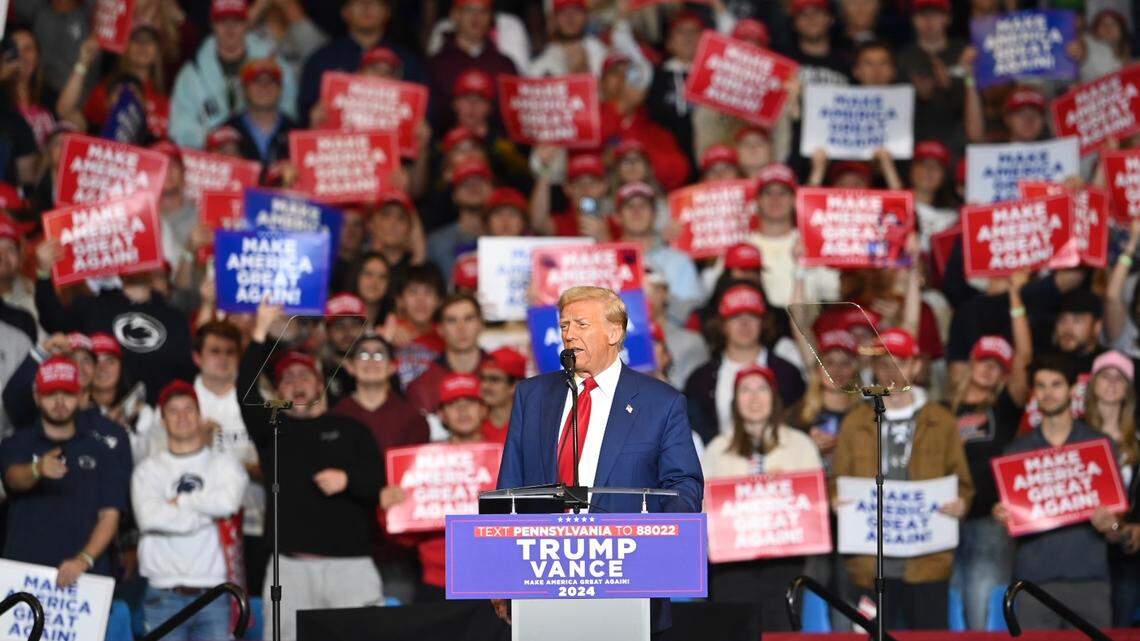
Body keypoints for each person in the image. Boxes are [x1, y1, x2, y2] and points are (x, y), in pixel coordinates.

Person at [495, 285, 703, 632]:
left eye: (581, 324)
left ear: (614, 332)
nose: (569, 335)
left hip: (627, 582)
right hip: (542, 580)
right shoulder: (533, 397)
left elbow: (683, 486)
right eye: (563, 326)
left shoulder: (660, 403)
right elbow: (509, 491)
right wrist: (501, 576)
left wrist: (656, 544)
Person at [239, 301, 384, 641]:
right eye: (287, 378)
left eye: (305, 374)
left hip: (351, 566)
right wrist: (261, 331)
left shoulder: (352, 429)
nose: (297, 382)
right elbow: (244, 388)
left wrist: (348, 480)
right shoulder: (271, 429)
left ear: (322, 384)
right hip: (289, 569)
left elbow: (381, 484)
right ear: (276, 393)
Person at [832, 328, 974, 630]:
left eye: (901, 363)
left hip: (927, 562)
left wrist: (962, 503)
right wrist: (835, 499)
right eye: (884, 364)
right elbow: (838, 480)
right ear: (874, 369)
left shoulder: (942, 421)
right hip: (869, 564)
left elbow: (963, 483)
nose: (892, 372)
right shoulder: (855, 421)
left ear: (916, 366)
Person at [994, 355, 1117, 630]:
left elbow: (1118, 524)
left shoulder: (1099, 445)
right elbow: (1010, 522)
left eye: (1056, 384)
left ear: (1073, 390)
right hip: (1033, 585)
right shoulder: (1016, 452)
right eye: (1040, 386)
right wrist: (1004, 516)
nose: (1048, 393)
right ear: (1033, 392)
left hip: (1090, 582)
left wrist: (1113, 525)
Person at [703, 365, 822, 631]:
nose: (754, 398)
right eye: (745, 390)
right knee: (734, 632)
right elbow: (703, 506)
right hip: (731, 567)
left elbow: (814, 507)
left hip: (785, 565)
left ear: (774, 397)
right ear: (735, 401)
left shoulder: (801, 445)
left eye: (761, 389)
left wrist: (785, 488)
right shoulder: (717, 449)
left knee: (781, 630)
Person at [133, 380, 248, 641]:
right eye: (173, 411)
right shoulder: (148, 471)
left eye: (188, 409)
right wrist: (206, 514)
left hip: (216, 593)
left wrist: (182, 503)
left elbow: (228, 503)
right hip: (164, 593)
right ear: (162, 421)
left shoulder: (225, 465)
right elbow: (149, 517)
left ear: (200, 416)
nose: (182, 416)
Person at [0, 357, 128, 585]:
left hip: (84, 578)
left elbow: (110, 516)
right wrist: (36, 469)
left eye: (67, 393)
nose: (59, 401)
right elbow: (13, 479)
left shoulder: (102, 452)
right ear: (37, 397)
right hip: (23, 575)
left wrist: (83, 559)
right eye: (51, 393)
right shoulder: (17, 443)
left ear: (80, 396)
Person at [331, 332, 428, 606]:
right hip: (349, 544)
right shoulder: (336, 416)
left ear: (393, 365)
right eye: (363, 355)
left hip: (398, 547)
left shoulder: (412, 418)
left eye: (379, 355)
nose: (371, 361)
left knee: (397, 627)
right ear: (349, 366)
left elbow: (419, 478)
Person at [685, 284, 806, 443]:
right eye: (735, 316)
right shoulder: (700, 380)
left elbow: (800, 423)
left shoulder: (787, 373)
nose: (744, 323)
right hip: (720, 464)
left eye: (752, 315)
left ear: (763, 322)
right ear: (722, 324)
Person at [169, 0, 298, 148]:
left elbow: (290, 113)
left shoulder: (274, 61)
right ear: (213, 25)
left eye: (236, 21)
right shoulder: (192, 73)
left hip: (266, 153)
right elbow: (179, 128)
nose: (229, 29)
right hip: (213, 158)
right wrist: (211, 140)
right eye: (222, 21)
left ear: (246, 24)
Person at [1082, 350, 1139, 626]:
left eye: (1121, 378)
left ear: (1128, 389)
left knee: (1119, 627)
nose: (1113, 383)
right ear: (1093, 383)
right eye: (1106, 375)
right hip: (1082, 548)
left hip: (1127, 551)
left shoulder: (1138, 440)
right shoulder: (1072, 435)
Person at [406, 293, 486, 414]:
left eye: (469, 318)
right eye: (452, 320)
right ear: (440, 329)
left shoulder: (502, 377)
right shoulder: (422, 387)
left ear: (481, 325)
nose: (461, 328)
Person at [224, 58, 297, 169]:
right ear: (244, 89)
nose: (264, 87)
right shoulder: (224, 133)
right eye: (256, 81)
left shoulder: (296, 133)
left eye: (271, 81)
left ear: (280, 88)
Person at [478, 347, 526, 444]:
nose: (485, 386)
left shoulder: (529, 427)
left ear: (515, 385)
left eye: (494, 380)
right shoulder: (472, 425)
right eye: (483, 378)